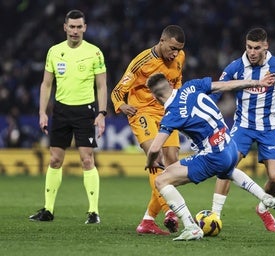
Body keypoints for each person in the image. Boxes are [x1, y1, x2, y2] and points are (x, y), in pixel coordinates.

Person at [145, 72, 275, 241]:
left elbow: (155, 148)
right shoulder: (191, 85)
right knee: (227, 170)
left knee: (161, 180)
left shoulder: (172, 114)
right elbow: (227, 85)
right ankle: (265, 197)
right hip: (230, 146)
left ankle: (190, 227)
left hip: (214, 155)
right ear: (170, 85)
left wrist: (150, 162)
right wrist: (257, 82)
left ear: (155, 96)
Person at [211, 27, 275, 232]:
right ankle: (214, 216)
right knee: (225, 165)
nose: (252, 52)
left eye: (257, 47)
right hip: (243, 127)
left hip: (270, 129)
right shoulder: (235, 67)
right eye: (249, 47)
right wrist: (209, 119)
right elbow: (216, 92)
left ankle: (263, 207)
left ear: (266, 46)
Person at [29, 10, 107, 224]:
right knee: (54, 160)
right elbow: (46, 84)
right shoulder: (54, 52)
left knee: (87, 159)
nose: (75, 31)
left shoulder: (95, 53)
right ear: (65, 27)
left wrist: (101, 112)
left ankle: (93, 212)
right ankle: (48, 210)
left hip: (85, 111)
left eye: (78, 26)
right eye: (71, 26)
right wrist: (42, 112)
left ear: (85, 28)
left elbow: (101, 85)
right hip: (61, 110)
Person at [111, 25, 185, 235]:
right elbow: (118, 90)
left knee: (173, 162)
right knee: (156, 156)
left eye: (179, 49)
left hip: (166, 113)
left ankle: (148, 221)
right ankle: (170, 209)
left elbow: (177, 82)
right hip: (141, 111)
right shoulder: (142, 62)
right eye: (172, 48)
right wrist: (121, 105)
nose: (175, 53)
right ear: (161, 41)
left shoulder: (180, 58)